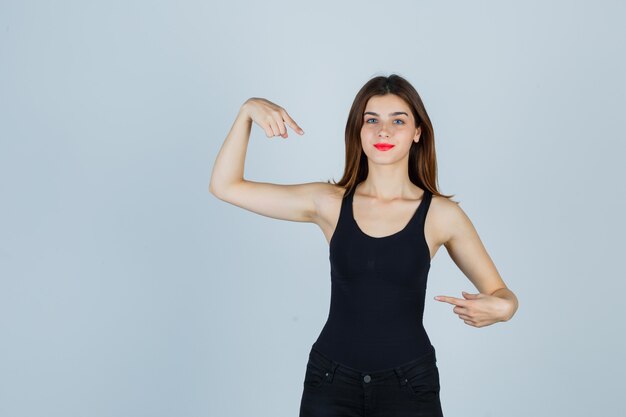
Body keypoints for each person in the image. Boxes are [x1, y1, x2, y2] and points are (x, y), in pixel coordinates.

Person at [209, 74, 519, 417]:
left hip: (409, 385)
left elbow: (501, 293)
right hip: (330, 381)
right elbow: (225, 186)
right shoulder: (327, 203)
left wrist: (504, 309)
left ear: (418, 132)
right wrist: (246, 112)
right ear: (358, 130)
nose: (383, 131)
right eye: (372, 120)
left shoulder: (441, 215)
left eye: (397, 121)